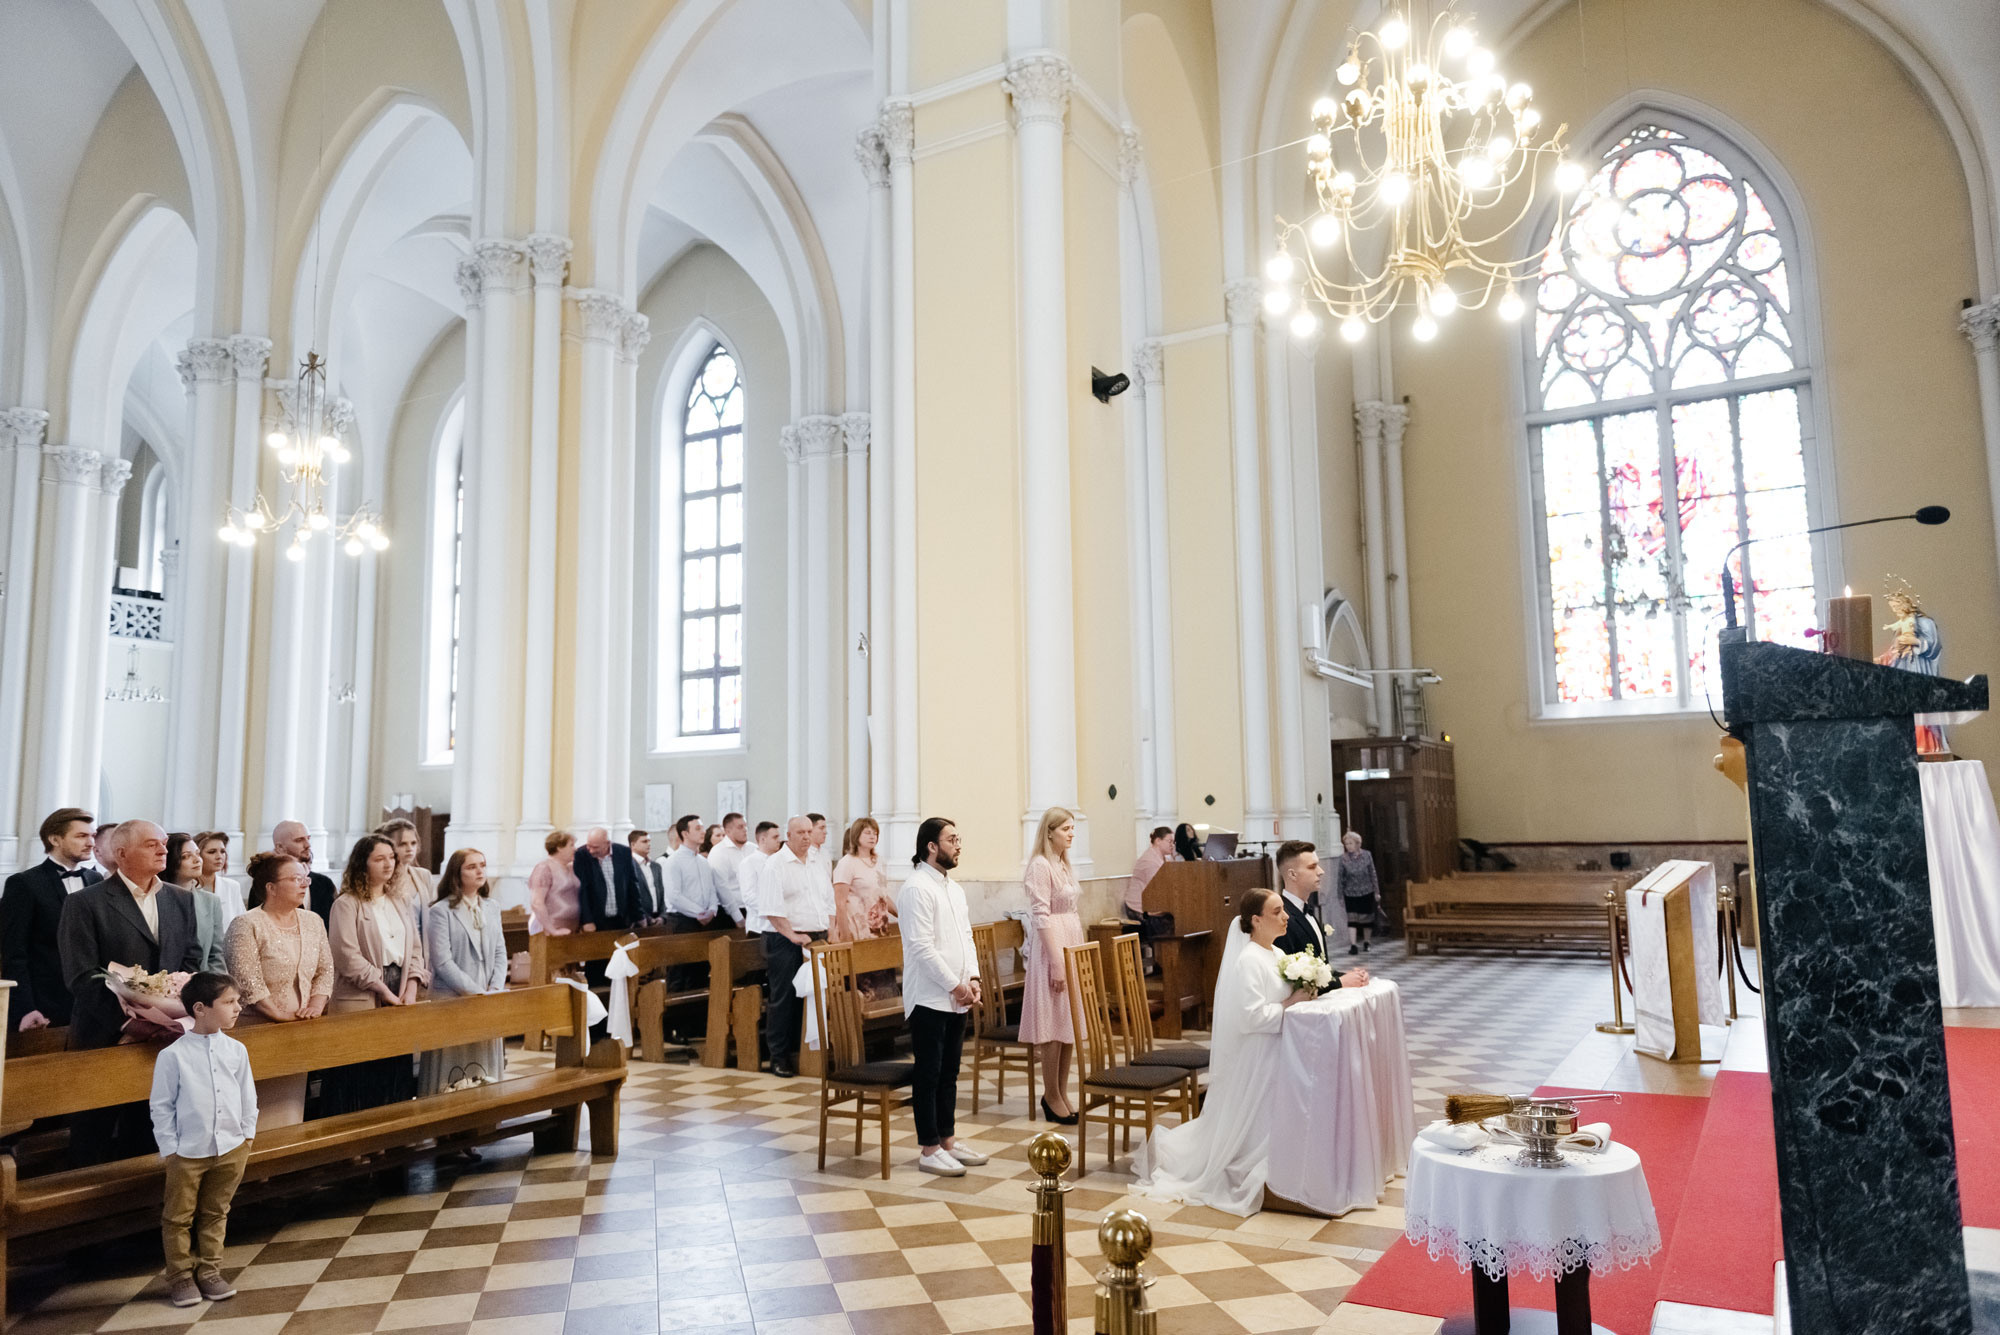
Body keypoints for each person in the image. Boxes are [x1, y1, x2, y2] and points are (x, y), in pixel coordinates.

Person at [1130, 887, 1316, 1216]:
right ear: (1256, 921)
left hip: (1275, 1051)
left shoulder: (1274, 954)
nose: (1286, 916)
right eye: (1277, 912)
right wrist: (1291, 1003)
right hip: (1258, 1055)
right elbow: (1251, 1017)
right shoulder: (1247, 962)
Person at [59, 820, 203, 1163]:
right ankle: (87, 1212)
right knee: (93, 1134)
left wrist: (170, 1014)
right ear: (122, 854)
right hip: (104, 1036)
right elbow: (82, 975)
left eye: (165, 844)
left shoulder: (180, 899)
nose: (163, 850)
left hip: (165, 1040)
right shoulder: (85, 903)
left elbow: (190, 960)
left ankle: (142, 1209)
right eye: (152, 844)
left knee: (152, 1129)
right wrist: (132, 1024)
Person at [149, 971, 256, 1307]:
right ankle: (180, 1277)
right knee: (178, 1217)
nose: (237, 1008)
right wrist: (171, 1148)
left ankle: (209, 1272)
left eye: (238, 1001)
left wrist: (246, 1136)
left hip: (231, 1147)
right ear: (200, 1008)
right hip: (188, 1152)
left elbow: (247, 1095)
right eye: (229, 1002)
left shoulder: (237, 1050)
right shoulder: (173, 1056)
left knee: (215, 1212)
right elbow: (161, 1106)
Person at [899, 817, 987, 1177]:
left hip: (956, 995)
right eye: (952, 839)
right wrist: (955, 985)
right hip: (929, 998)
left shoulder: (953, 888)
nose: (958, 845)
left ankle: (948, 1141)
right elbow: (921, 947)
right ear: (931, 846)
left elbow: (965, 937)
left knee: (949, 1071)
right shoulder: (917, 887)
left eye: (958, 838)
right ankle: (929, 1147)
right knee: (929, 1072)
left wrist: (974, 977)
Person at [223, 852, 333, 1127]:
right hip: (257, 1030)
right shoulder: (246, 924)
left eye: (305, 877)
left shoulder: (312, 921)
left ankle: (283, 1164)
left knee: (290, 1108)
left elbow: (325, 970)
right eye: (295, 878)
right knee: (255, 1110)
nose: (304, 883)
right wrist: (280, 1015)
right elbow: (247, 981)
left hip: (299, 1030)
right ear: (270, 888)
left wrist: (316, 1006)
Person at [322, 834, 428, 1115]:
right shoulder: (347, 903)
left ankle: (386, 1139)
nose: (388, 864)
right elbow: (346, 956)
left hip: (400, 988)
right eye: (379, 859)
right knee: (358, 1073)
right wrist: (383, 989)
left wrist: (411, 987)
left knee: (393, 1068)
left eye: (391, 858)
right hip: (363, 993)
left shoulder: (399, 902)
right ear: (362, 864)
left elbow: (415, 949)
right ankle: (351, 1148)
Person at [1, 806, 102, 1031]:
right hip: (45, 1004)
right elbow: (14, 953)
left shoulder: (97, 881)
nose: (91, 842)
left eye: (92, 836)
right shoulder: (24, 883)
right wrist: (24, 1008)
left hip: (92, 1006)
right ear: (55, 839)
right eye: (81, 836)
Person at [421, 848, 508, 1101]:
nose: (480, 870)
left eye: (482, 865)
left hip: (487, 997)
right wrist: (476, 992)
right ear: (456, 874)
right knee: (453, 1062)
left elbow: (501, 952)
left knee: (482, 1062)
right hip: (454, 998)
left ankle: (483, 1116)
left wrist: (494, 989)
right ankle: (446, 1120)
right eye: (472, 867)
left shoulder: (492, 907)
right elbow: (443, 962)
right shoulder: (441, 911)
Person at [1020, 807, 1085, 1124]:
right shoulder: (1040, 865)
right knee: (1051, 1022)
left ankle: (1062, 1090)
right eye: (1065, 829)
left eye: (1073, 828)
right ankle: (1050, 1094)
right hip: (1051, 948)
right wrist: (1057, 964)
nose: (1071, 833)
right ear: (1049, 832)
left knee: (1068, 1021)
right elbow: (1041, 916)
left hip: (1070, 941)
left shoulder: (1063, 863)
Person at [759, 816, 833, 1078]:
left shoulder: (816, 860)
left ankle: (809, 1053)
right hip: (785, 940)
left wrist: (830, 929)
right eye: (800, 832)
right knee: (784, 999)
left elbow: (828, 899)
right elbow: (771, 909)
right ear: (787, 836)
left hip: (818, 936)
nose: (805, 836)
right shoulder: (775, 865)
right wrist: (792, 935)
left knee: (817, 995)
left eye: (808, 831)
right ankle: (778, 1057)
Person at [1272, 841, 1367, 988]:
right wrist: (1341, 983)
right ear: (1292, 874)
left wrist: (1352, 977)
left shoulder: (1308, 912)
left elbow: (1321, 970)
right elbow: (1289, 981)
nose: (1321, 871)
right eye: (1312, 867)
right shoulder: (1281, 917)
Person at [166, 832, 228, 973]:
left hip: (201, 984)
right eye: (186, 856)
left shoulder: (210, 901)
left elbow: (216, 954)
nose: (197, 860)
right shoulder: (158, 897)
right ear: (171, 861)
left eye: (197, 854)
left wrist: (214, 989)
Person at [831, 817, 895, 943]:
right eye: (867, 833)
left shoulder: (879, 861)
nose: (872, 837)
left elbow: (882, 895)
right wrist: (845, 935)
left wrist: (901, 915)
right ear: (856, 836)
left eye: (875, 833)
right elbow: (840, 903)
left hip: (878, 926)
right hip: (856, 927)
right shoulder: (847, 863)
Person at [376, 818, 435, 953]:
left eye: (413, 843)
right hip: (394, 949)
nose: (410, 849)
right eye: (402, 844)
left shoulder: (424, 876)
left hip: (423, 948)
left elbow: (431, 916)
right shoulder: (382, 878)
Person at [574, 827, 644, 932]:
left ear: (607, 843)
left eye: (595, 847)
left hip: (622, 918)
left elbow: (632, 885)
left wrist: (638, 915)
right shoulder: (581, 855)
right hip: (596, 920)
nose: (591, 850)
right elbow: (583, 890)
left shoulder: (623, 852)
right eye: (589, 846)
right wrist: (587, 920)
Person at [663, 814, 720, 932]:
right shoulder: (673, 861)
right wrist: (700, 913)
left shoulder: (704, 862)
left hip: (707, 920)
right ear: (685, 834)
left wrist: (712, 910)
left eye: (703, 828)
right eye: (698, 829)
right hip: (682, 921)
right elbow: (674, 895)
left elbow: (712, 889)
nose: (703, 832)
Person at [270, 821, 335, 920]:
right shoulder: (268, 884)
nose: (308, 845)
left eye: (308, 838)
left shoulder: (324, 884)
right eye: (299, 840)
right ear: (280, 847)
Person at [528, 830, 584, 934]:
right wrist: (552, 930)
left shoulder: (571, 868)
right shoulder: (544, 868)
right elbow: (537, 903)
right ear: (559, 848)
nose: (575, 849)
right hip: (551, 930)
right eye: (571, 845)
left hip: (572, 928)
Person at [1336, 831, 1383, 954]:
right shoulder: (1343, 858)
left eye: (1350, 843)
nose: (1348, 846)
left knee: (1366, 919)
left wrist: (1376, 891)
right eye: (1346, 844)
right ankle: (1353, 945)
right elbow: (1340, 877)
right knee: (1352, 919)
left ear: (1357, 844)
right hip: (1350, 892)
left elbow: (1373, 873)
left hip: (1366, 891)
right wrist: (1340, 895)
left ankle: (1367, 942)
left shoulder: (1367, 855)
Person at [1125, 826, 1175, 928]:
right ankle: (1162, 944)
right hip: (1138, 909)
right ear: (1158, 841)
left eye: (1173, 842)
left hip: (1152, 906)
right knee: (1170, 924)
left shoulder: (1164, 859)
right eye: (1170, 841)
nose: (1172, 845)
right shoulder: (1149, 861)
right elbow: (1157, 889)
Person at [193, 832, 249, 925]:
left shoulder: (232, 886)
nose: (219, 857)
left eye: (222, 851)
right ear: (198, 856)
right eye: (212, 852)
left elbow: (242, 924)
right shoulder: (186, 887)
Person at [738, 821, 782, 935]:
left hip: (781, 926)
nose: (779, 840)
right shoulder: (749, 863)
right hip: (759, 927)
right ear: (763, 840)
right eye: (775, 837)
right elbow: (749, 896)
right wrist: (774, 911)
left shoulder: (780, 861)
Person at [708, 813, 751, 926]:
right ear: (728, 831)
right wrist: (738, 918)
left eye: (746, 826)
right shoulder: (718, 852)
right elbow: (722, 888)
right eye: (740, 827)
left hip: (753, 910)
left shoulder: (753, 849)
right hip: (730, 913)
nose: (745, 830)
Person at [630, 829, 667, 921]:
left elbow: (663, 892)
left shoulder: (656, 866)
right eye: (644, 841)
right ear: (633, 845)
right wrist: (645, 917)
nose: (648, 844)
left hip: (658, 917)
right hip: (639, 919)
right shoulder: (628, 866)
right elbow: (630, 896)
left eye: (649, 841)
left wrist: (663, 916)